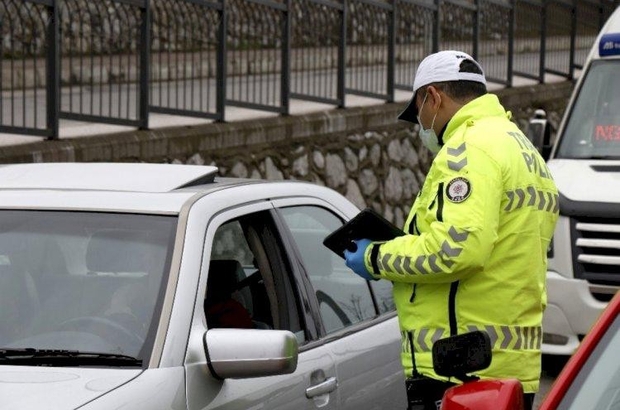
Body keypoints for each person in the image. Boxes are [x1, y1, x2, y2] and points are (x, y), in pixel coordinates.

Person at [344, 50, 559, 410]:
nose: (421, 125)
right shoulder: (522, 148)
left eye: (418, 113)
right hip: (509, 367)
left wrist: (375, 256)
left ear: (433, 97)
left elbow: (456, 249)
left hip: (460, 368)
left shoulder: (469, 149)